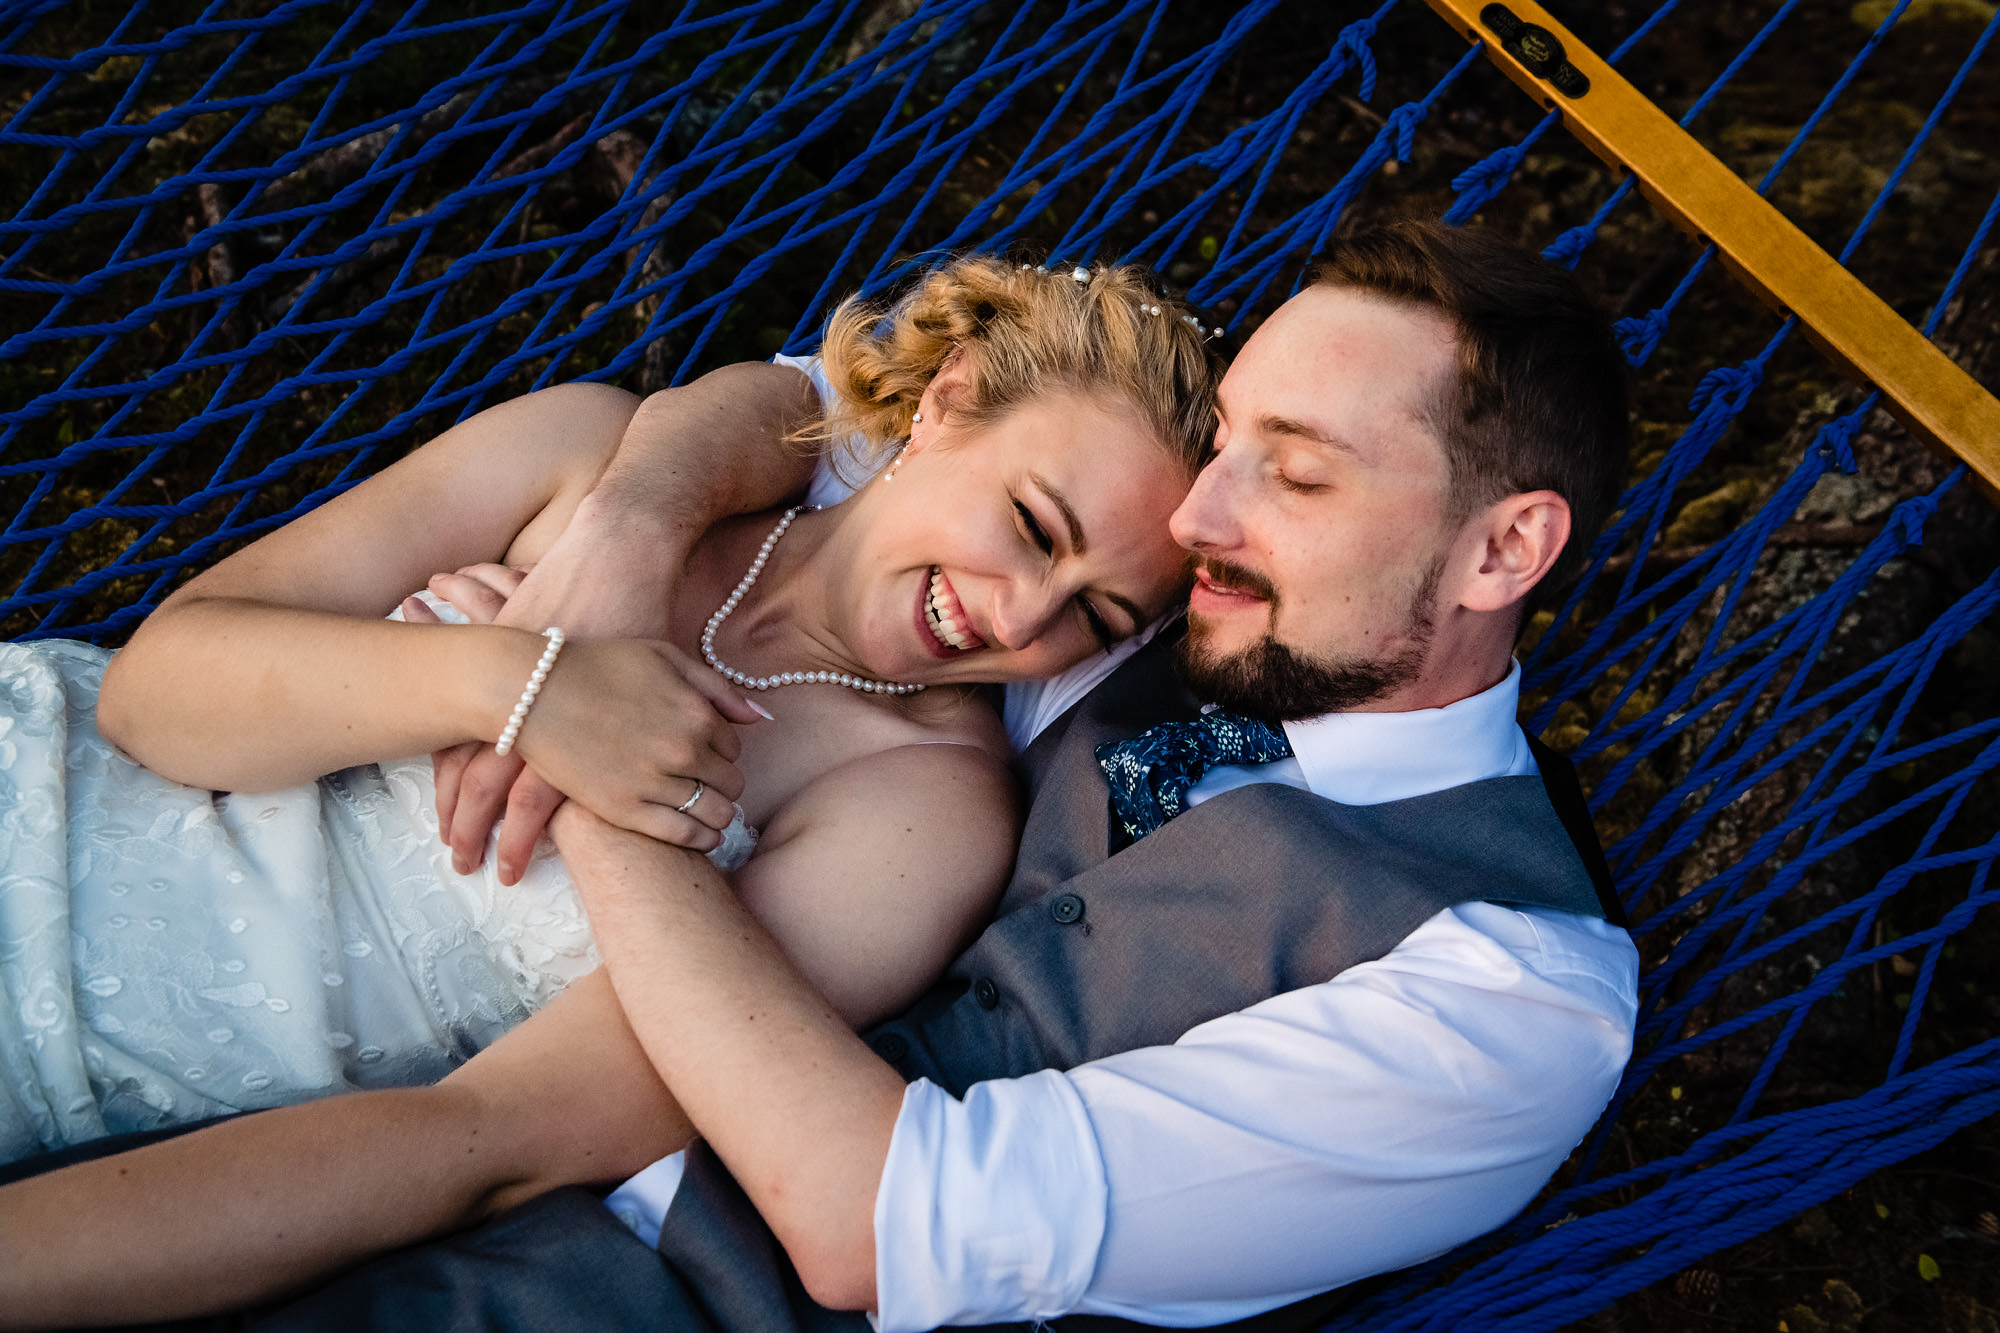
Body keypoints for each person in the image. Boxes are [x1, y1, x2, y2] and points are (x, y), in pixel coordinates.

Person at [0, 220, 1638, 1332]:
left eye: (1290, 472)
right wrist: (623, 542)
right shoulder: (1172, 591)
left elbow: (884, 1213)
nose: (1203, 520)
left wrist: (576, 714)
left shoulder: (1505, 989)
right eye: (1227, 455)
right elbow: (829, 414)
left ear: (1507, 544)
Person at [0, 253, 1216, 1170]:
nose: (1019, 621)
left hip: (110, 1089)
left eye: (1096, 620)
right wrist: (511, 680)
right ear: (946, 401)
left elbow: (496, 1140)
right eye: (1033, 527)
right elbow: (150, 697)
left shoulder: (918, 815)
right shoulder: (590, 458)